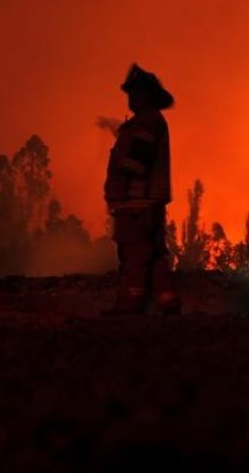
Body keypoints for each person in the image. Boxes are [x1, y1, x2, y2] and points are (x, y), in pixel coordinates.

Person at [103, 64, 181, 316]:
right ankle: (168, 304)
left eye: (134, 92)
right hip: (146, 203)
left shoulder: (146, 121)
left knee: (135, 257)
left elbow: (137, 160)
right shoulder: (147, 121)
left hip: (137, 203)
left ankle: (129, 308)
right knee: (154, 258)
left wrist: (121, 185)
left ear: (145, 95)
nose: (130, 98)